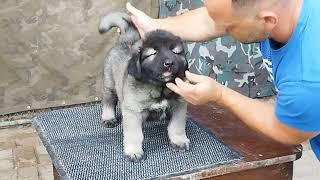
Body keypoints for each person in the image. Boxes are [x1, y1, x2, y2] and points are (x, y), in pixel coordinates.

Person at [126, 0, 320, 160]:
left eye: (228, 27)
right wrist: (154, 26)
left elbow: (288, 130)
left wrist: (219, 94)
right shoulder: (282, 10)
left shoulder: (307, 80)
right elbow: (211, 20)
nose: (220, 27)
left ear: (268, 20)